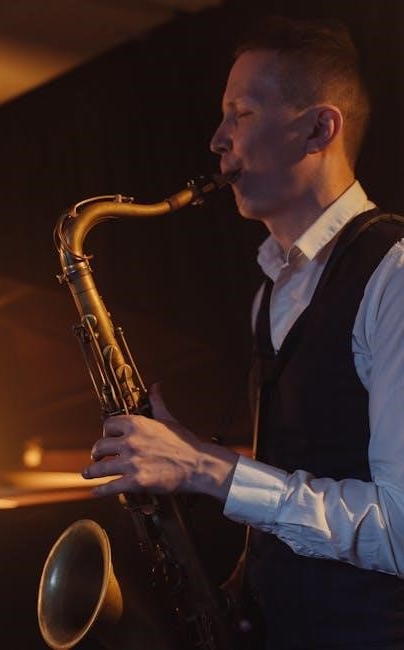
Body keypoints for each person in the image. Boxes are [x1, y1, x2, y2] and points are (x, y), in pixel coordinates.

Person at [82, 15, 404, 649]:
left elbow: (399, 530)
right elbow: (300, 477)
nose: (217, 139)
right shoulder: (271, 292)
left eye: (242, 113)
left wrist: (208, 468)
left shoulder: (393, 276)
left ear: (319, 128)